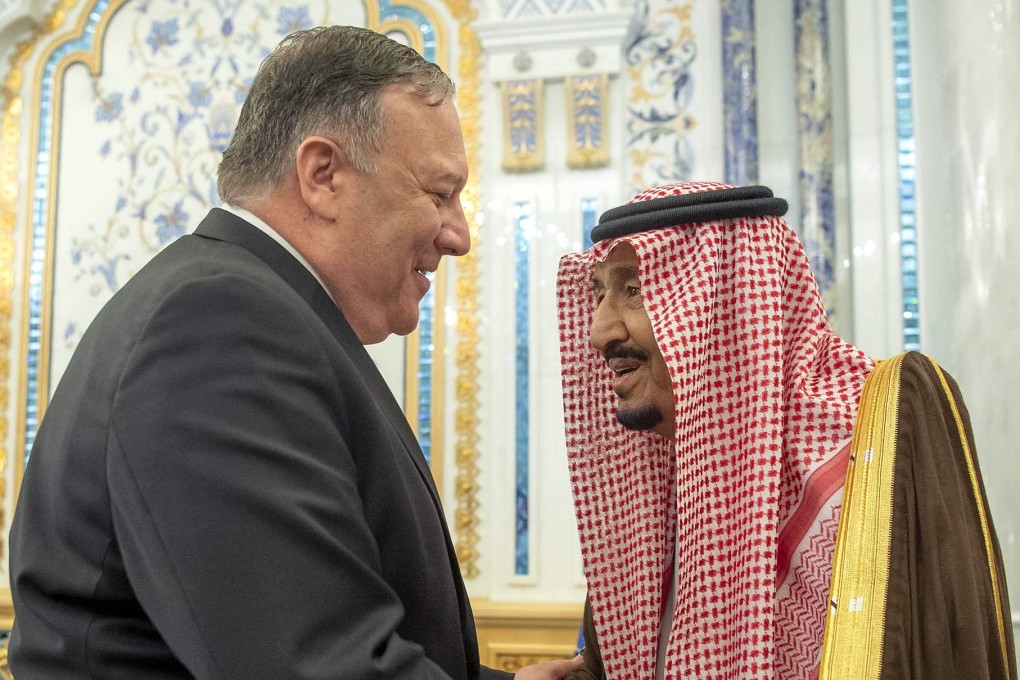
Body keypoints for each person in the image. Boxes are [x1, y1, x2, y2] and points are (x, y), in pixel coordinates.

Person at [8, 25, 582, 680]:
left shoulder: (248, 310)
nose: (460, 235)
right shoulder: (219, 324)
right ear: (323, 175)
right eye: (438, 193)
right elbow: (314, 665)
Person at [556, 181, 1017, 679]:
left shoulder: (883, 431)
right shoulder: (649, 493)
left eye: (635, 291)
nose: (599, 332)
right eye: (599, 293)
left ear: (728, 303)